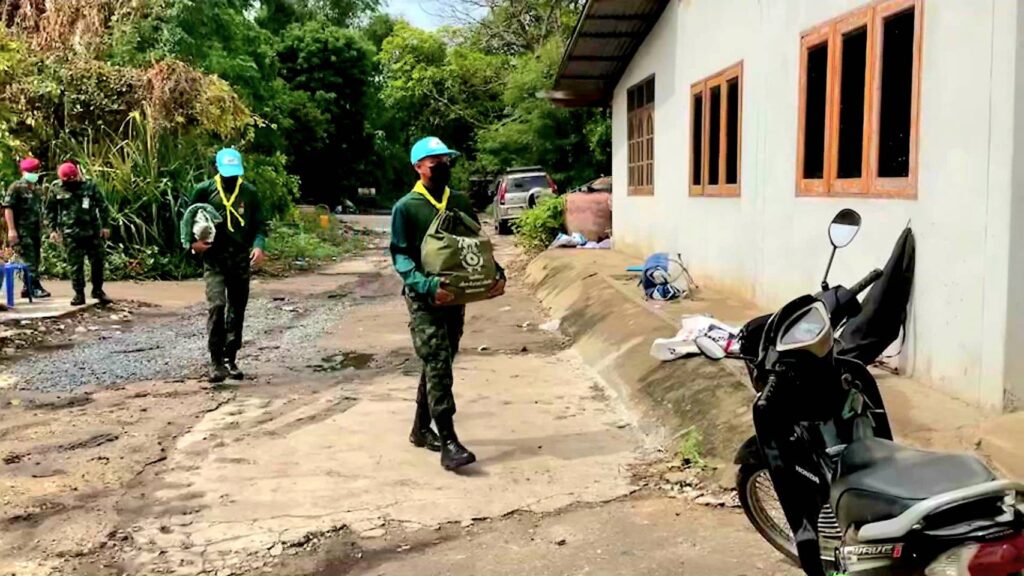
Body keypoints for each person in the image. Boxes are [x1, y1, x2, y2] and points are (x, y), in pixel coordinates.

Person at [390, 136, 506, 471]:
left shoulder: (458, 201)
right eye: (435, 162)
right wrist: (425, 286)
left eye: (445, 160)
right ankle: (449, 441)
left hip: (455, 295)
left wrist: (495, 274)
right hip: (425, 298)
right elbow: (400, 256)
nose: (442, 166)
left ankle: (419, 429)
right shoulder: (407, 208)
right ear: (418, 167)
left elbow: (476, 244)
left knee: (440, 361)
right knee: (438, 360)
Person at [188, 148, 266, 384]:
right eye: (226, 173)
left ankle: (230, 358)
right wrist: (193, 245)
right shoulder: (204, 190)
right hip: (215, 259)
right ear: (217, 169)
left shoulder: (250, 193)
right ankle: (215, 362)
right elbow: (187, 220)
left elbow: (260, 226)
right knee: (217, 306)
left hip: (240, 260)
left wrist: (258, 247)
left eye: (234, 173)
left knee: (237, 309)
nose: (230, 178)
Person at [47, 162, 113, 306]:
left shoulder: (89, 185)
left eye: (73, 179)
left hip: (92, 231)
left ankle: (97, 290)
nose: (71, 183)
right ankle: (79, 293)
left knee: (97, 262)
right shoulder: (56, 187)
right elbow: (50, 210)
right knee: (75, 265)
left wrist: (105, 226)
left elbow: (102, 205)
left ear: (76, 175)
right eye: (67, 181)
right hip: (71, 233)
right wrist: (52, 230)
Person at [3, 157, 51, 299]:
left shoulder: (37, 189)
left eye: (36, 171)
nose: (34, 174)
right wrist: (11, 230)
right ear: (23, 172)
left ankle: (27, 287)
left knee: (36, 259)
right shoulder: (16, 187)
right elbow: (8, 208)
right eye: (31, 171)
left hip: (35, 230)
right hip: (22, 231)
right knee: (29, 260)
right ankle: (34, 287)